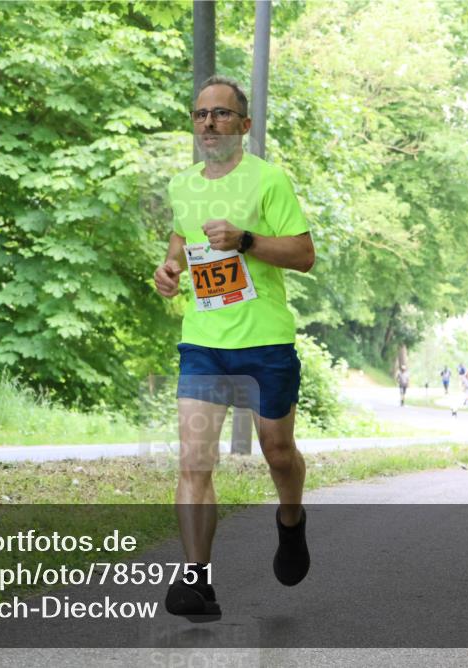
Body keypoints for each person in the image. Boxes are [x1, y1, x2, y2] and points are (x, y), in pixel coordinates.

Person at [153, 75, 315, 621]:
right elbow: (179, 242)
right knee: (194, 460)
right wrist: (170, 269)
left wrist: (245, 239)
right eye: (201, 114)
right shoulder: (182, 185)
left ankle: (290, 522)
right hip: (203, 340)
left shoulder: (269, 180)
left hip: (265, 340)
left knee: (277, 452)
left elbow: (303, 254)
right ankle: (196, 582)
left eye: (221, 114)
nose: (208, 123)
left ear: (243, 125)